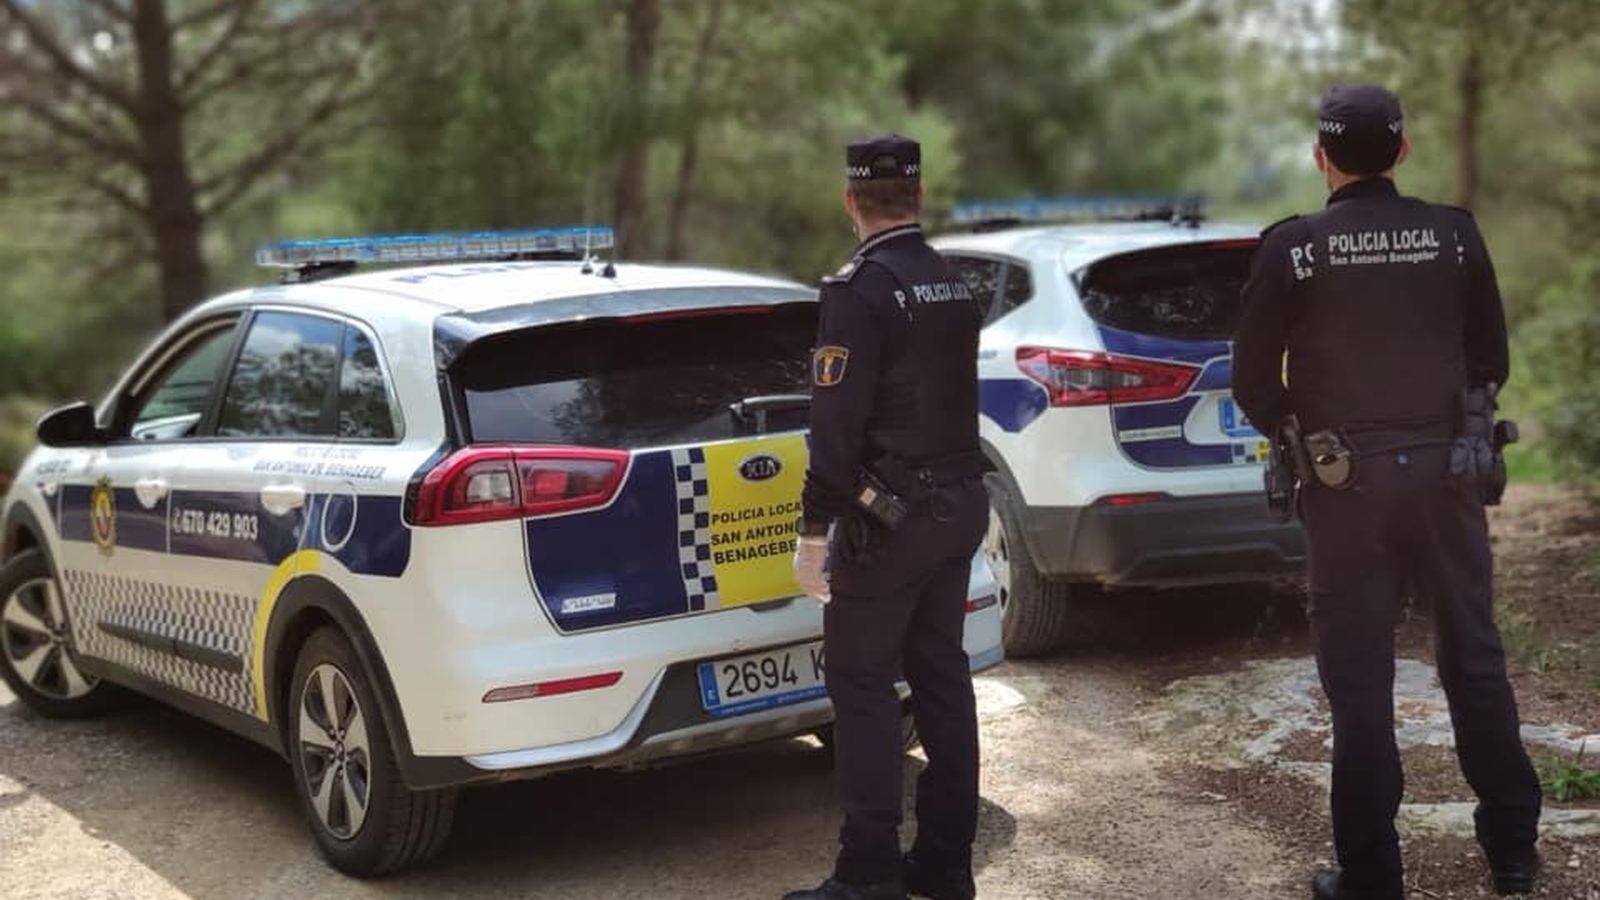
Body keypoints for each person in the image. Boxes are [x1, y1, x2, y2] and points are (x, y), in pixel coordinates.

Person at [1233, 85, 1543, 900]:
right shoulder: (1453, 236)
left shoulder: (1292, 248)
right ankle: (1513, 853)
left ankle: (1370, 875)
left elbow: (1253, 383)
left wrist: (1305, 436)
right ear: (1402, 151)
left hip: (1346, 488)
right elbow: (1490, 360)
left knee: (1360, 683)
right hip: (1448, 478)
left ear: (1321, 157)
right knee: (1474, 660)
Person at [787, 134, 990, 900]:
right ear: (919, 195)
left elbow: (835, 432)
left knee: (862, 686)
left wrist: (813, 531)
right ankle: (944, 866)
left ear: (851, 202)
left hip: (892, 521)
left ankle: (867, 874)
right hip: (957, 505)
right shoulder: (951, 280)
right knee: (942, 678)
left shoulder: (856, 293)